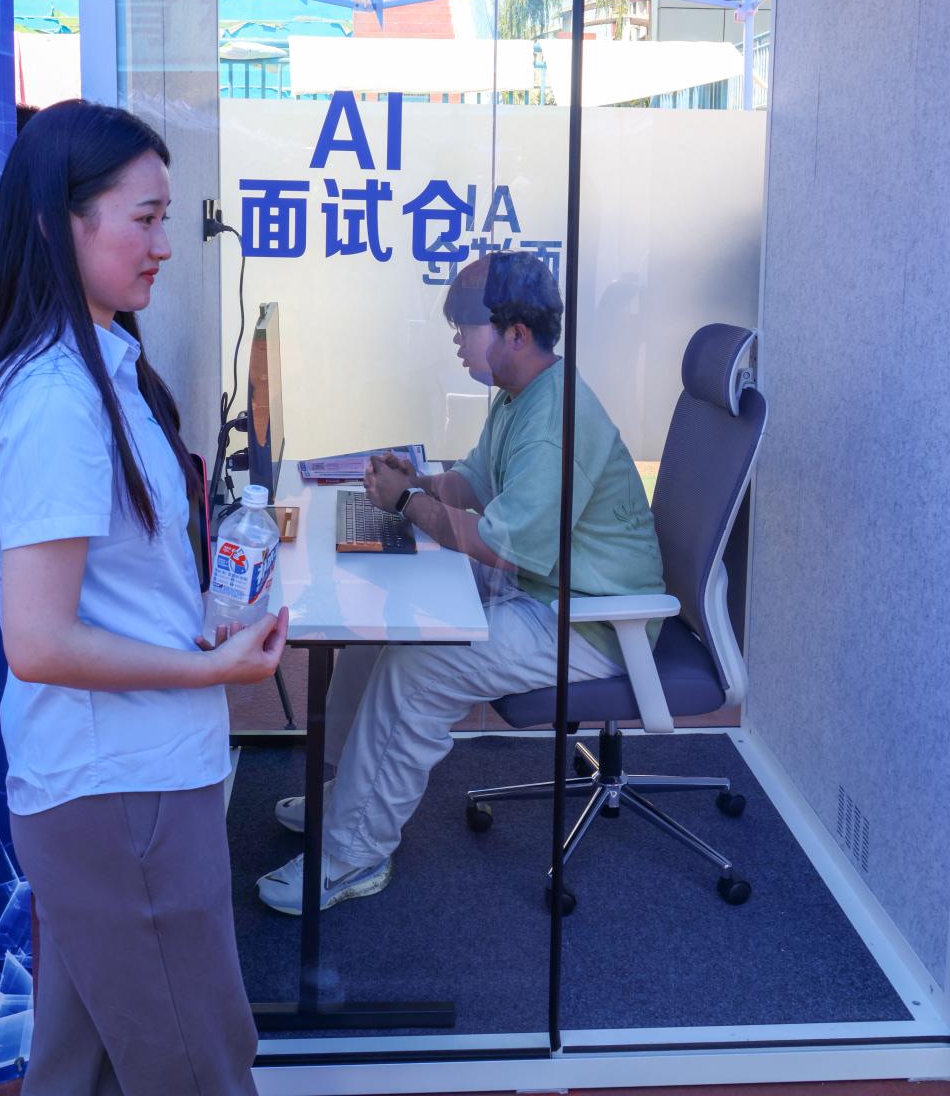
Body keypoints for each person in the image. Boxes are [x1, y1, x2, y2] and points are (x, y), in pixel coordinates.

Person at [0, 100, 289, 1096]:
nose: (164, 246)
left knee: (82, 1068)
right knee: (198, 1069)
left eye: (165, 218)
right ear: (61, 223)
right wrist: (208, 668)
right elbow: (38, 639)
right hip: (122, 790)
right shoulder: (59, 401)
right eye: (143, 219)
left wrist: (206, 621)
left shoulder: (101, 368)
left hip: (121, 781)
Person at [256, 251, 663, 916]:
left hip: (591, 618)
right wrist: (416, 481)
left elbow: (496, 543)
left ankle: (354, 854)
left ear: (516, 334)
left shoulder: (553, 423)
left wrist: (403, 503)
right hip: (544, 584)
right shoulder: (520, 395)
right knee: (378, 618)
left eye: (464, 327)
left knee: (421, 666)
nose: (455, 340)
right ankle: (348, 794)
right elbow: (472, 482)